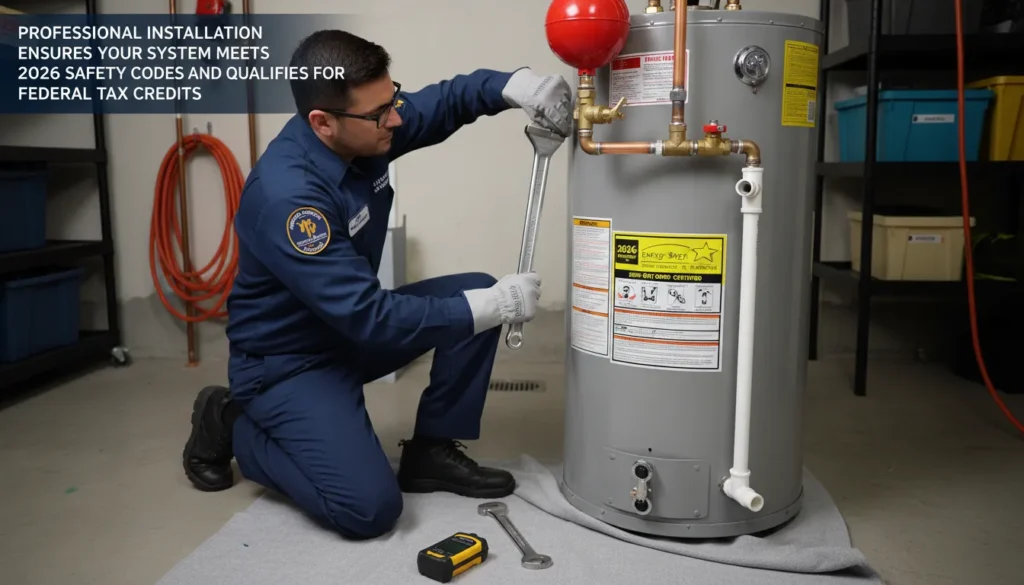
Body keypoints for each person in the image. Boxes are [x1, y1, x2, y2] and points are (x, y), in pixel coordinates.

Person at [180, 29, 573, 540]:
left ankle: (432, 451)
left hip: (347, 330)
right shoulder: (289, 199)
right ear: (322, 122)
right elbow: (372, 316)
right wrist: (491, 306)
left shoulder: (363, 126)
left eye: (392, 100)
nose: (396, 117)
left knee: (473, 291)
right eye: (381, 113)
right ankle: (235, 421)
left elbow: (446, 101)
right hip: (288, 362)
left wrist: (515, 86)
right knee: (367, 510)